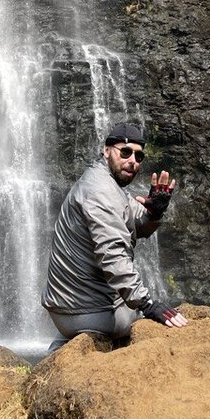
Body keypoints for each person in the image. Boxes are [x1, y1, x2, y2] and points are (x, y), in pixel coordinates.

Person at [42, 121, 188, 351]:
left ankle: (64, 349)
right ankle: (79, 344)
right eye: (126, 152)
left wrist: (155, 211)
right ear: (106, 150)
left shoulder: (103, 182)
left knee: (137, 306)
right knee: (149, 325)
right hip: (86, 310)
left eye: (139, 156)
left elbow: (136, 223)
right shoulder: (101, 192)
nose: (132, 161)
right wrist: (148, 305)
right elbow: (113, 257)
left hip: (70, 307)